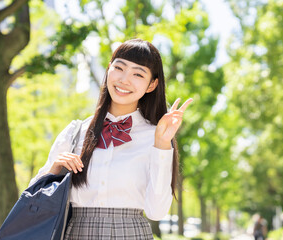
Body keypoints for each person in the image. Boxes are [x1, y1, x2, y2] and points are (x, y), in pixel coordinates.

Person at [29, 38, 193, 239]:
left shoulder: (155, 136)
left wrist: (162, 144)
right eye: (119, 68)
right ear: (109, 70)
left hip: (131, 234)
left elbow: (157, 212)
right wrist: (54, 169)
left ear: (152, 85)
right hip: (76, 233)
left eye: (138, 74)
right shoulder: (75, 132)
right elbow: (32, 200)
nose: (124, 79)